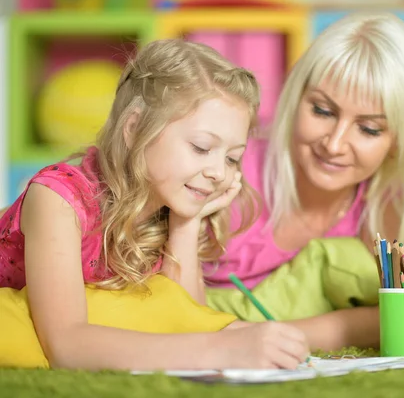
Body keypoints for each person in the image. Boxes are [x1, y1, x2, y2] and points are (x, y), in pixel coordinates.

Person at [0, 39, 309, 371]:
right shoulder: (57, 199)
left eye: (233, 158)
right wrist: (221, 349)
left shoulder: (169, 201)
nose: (219, 172)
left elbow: (183, 318)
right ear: (134, 129)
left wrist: (186, 224)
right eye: (202, 147)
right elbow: (66, 347)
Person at [203, 12, 404, 351]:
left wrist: (262, 338)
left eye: (368, 129)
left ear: (398, 139)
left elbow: (393, 319)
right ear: (296, 96)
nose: (334, 145)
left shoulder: (386, 207)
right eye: (322, 111)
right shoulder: (227, 167)